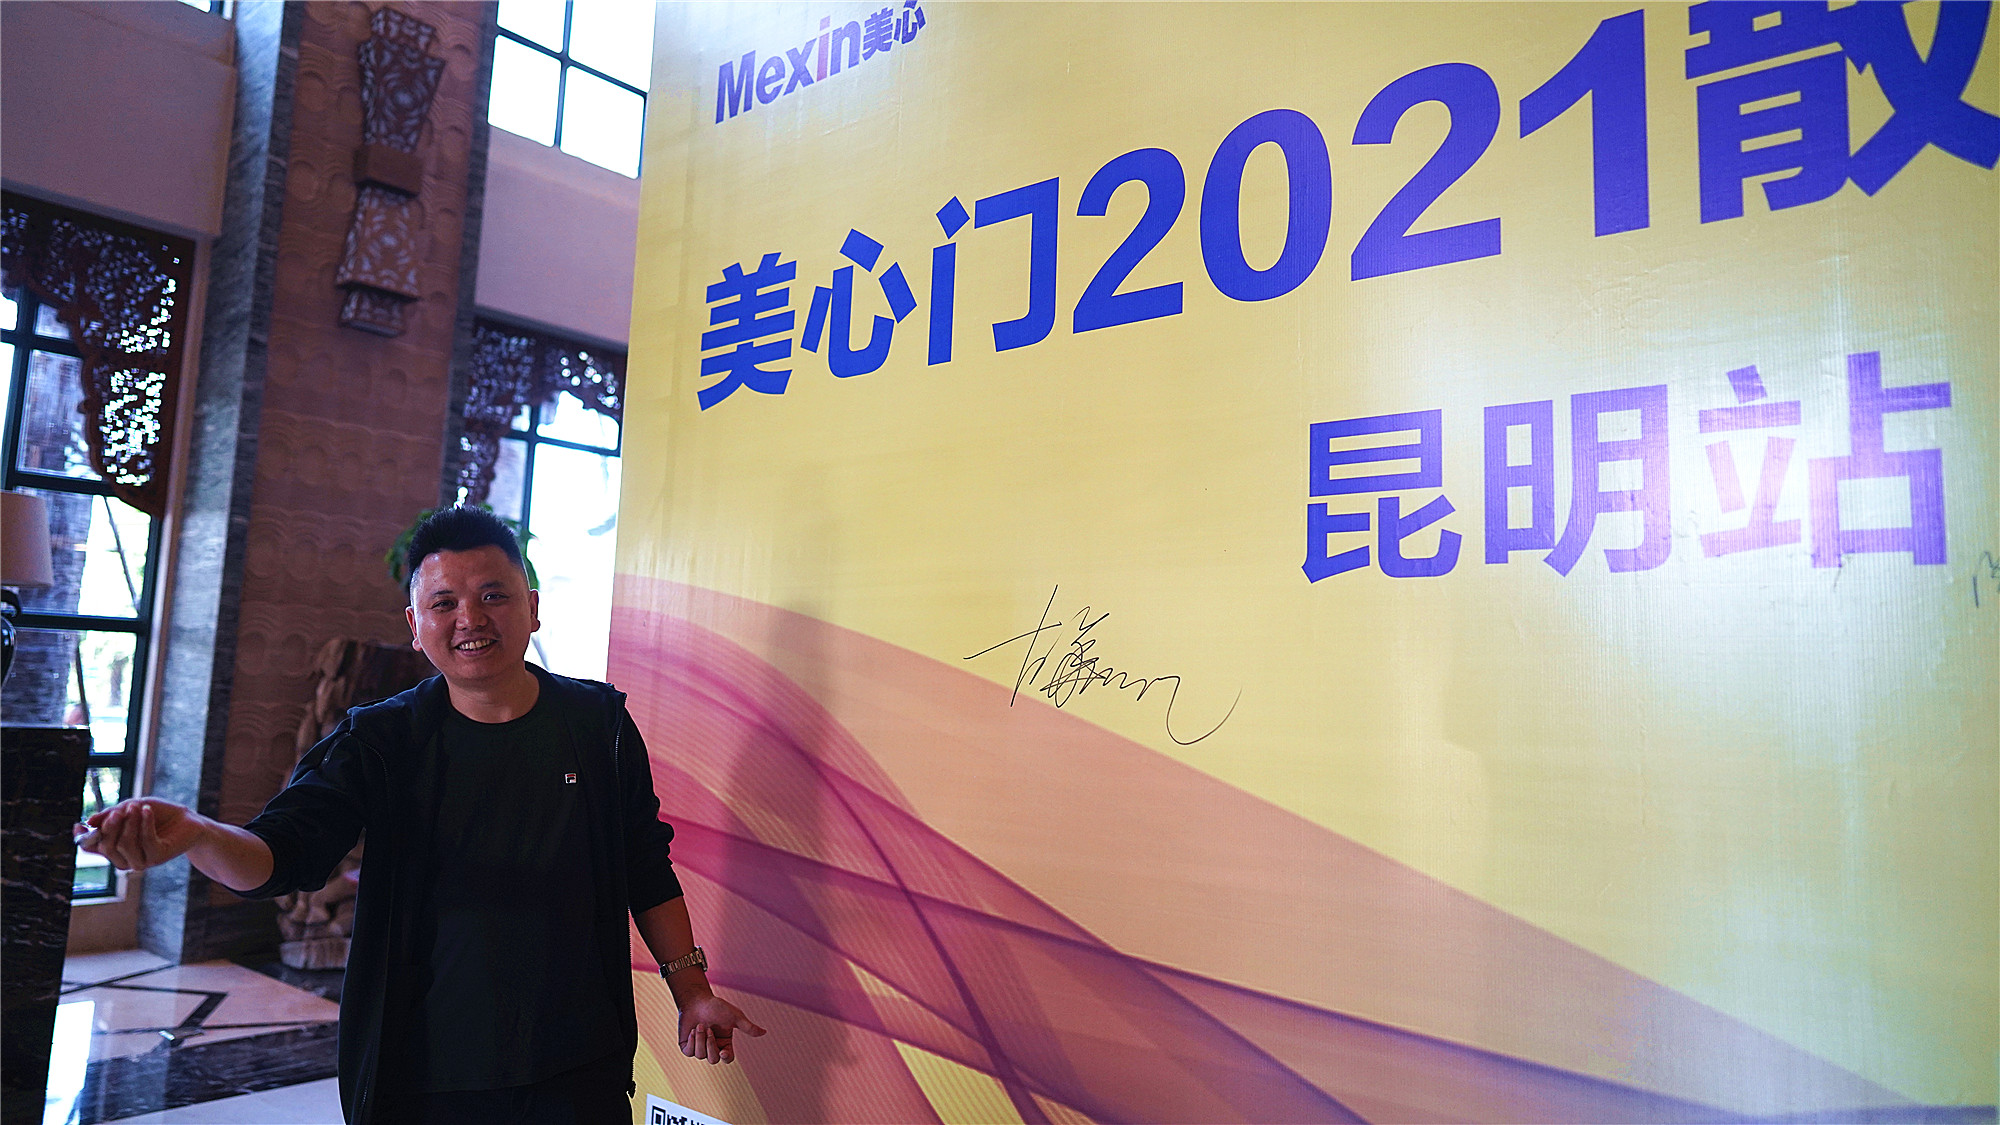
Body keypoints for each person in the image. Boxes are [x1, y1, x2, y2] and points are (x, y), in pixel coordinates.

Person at [76, 506, 764, 1123]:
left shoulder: (598, 724)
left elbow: (645, 865)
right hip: (423, 1072)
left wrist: (693, 992)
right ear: (415, 626)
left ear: (532, 607)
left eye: (493, 595)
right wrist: (196, 833)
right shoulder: (382, 739)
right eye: (445, 602)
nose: (471, 618)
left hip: (577, 1064)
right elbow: (281, 856)